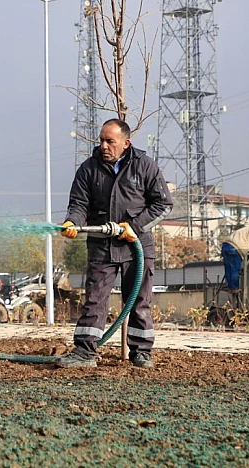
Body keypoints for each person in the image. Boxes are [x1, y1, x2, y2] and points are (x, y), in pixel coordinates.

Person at [58, 119, 174, 369]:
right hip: (101, 247)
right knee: (95, 299)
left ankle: (141, 353)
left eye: (110, 141)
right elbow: (79, 204)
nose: (103, 145)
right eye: (101, 140)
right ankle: (85, 352)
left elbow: (163, 204)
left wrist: (134, 226)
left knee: (139, 301)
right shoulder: (88, 169)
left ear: (126, 143)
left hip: (137, 246)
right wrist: (72, 222)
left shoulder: (144, 166)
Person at [220, 223, 249, 292]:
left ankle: (229, 286)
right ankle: (234, 287)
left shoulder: (246, 229)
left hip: (226, 246)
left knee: (228, 268)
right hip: (235, 249)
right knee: (235, 269)